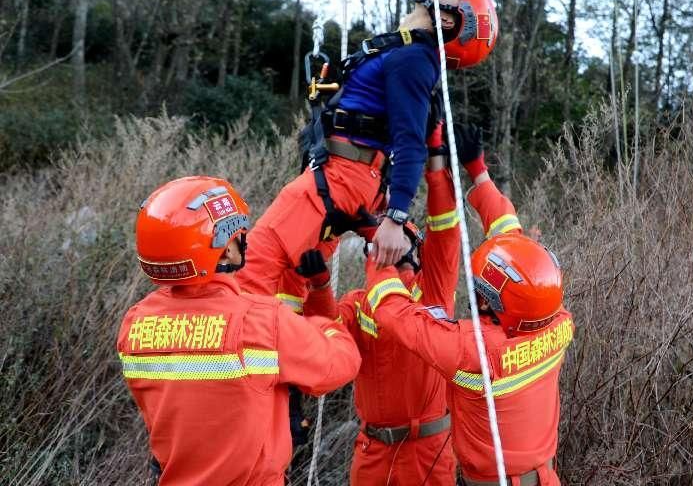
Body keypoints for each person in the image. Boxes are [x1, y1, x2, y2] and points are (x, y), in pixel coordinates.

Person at [236, 0, 498, 300]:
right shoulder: (402, 51)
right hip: (343, 175)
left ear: (447, 20)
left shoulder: (414, 58)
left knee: (250, 266)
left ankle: (234, 342)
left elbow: (410, 143)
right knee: (291, 280)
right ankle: (285, 340)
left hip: (341, 177)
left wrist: (396, 217)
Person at [356, 126, 573, 486]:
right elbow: (512, 242)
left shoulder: (472, 350)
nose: (478, 297)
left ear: (497, 305)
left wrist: (379, 258)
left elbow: (395, 314)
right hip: (544, 477)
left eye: (483, 293)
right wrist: (478, 172)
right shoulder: (555, 318)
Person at [117, 176, 361, 485]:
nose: (242, 240)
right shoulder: (262, 320)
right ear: (226, 251)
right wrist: (324, 318)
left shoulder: (134, 324)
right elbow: (340, 364)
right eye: (237, 234)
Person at [324, 120, 461, 485]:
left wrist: (436, 158)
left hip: (428, 451)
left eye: (403, 243)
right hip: (373, 453)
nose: (393, 249)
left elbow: (445, 228)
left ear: (418, 253)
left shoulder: (433, 289)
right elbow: (321, 333)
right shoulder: (359, 302)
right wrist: (320, 279)